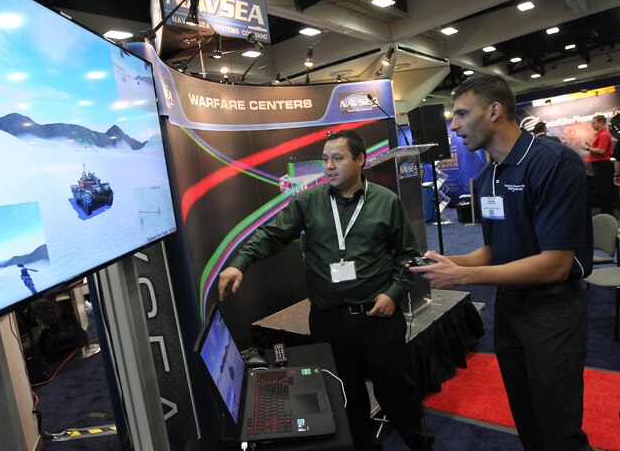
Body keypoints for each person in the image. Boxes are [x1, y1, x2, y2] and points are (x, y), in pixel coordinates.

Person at [218, 130, 434, 451]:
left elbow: (407, 256)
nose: (329, 166)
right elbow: (270, 235)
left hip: (377, 318)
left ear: (360, 160)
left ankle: (419, 444)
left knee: (396, 392)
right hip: (329, 321)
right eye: (325, 159)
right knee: (345, 397)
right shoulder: (308, 201)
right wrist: (240, 262)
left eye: (338, 158)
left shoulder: (386, 201)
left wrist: (394, 292)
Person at [411, 74, 593, 451]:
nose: (455, 125)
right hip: (510, 310)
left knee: (558, 429)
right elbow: (495, 251)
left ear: (494, 110)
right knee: (527, 420)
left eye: (461, 113)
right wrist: (448, 261)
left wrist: (464, 275)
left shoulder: (554, 164)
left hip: (553, 313)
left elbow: (555, 264)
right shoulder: (488, 175)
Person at [581, 114, 613, 215]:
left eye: (594, 123)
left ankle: (607, 211)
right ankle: (605, 210)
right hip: (599, 164)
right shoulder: (599, 134)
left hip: (602, 165)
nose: (592, 125)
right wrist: (589, 146)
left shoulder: (603, 135)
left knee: (604, 189)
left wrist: (587, 148)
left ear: (601, 123)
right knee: (601, 189)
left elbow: (601, 150)